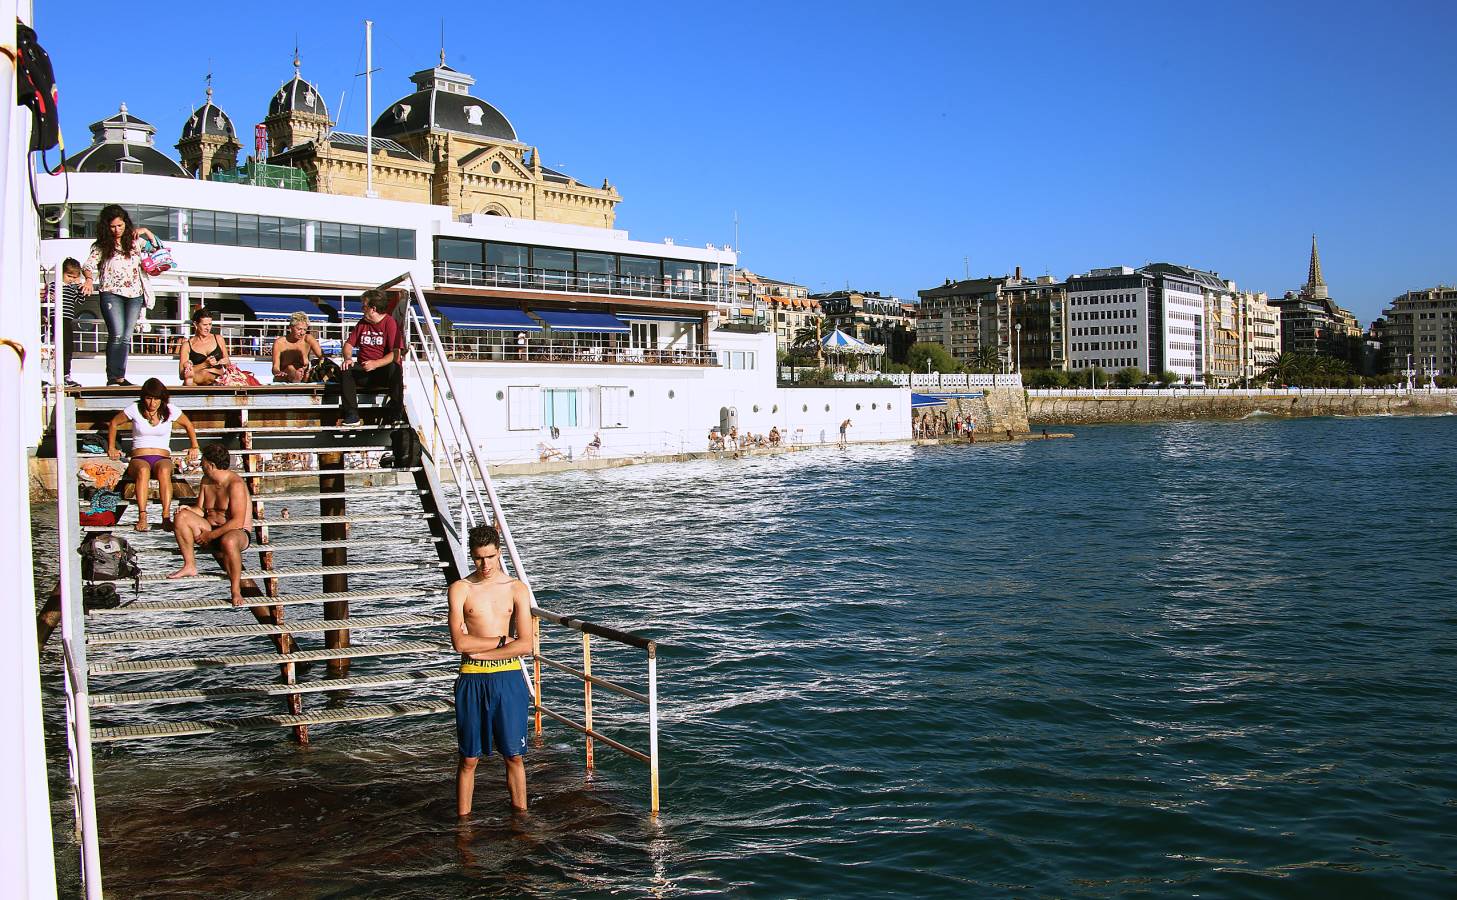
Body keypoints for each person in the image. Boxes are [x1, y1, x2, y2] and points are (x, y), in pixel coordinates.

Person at [448, 524, 533, 815]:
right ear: (472, 556)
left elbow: (525, 645)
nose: (485, 565)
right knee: (469, 759)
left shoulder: (516, 589)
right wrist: (500, 640)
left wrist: (483, 652)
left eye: (491, 557)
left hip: (508, 679)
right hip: (471, 680)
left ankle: (521, 819)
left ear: (499, 553)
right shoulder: (461, 589)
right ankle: (463, 824)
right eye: (478, 558)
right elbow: (460, 643)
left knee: (514, 756)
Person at [107, 378, 200, 531]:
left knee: (164, 470)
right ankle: (142, 515)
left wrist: (194, 446)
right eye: (149, 398)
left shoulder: (170, 409)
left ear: (161, 398)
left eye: (156, 398)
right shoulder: (134, 408)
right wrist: (111, 447)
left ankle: (165, 516)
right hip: (139, 457)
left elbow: (188, 425)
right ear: (144, 397)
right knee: (143, 471)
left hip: (162, 457)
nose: (152, 403)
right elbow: (114, 423)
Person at [82, 204, 159, 386]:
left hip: (135, 294)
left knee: (125, 336)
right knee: (116, 334)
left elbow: (159, 249)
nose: (117, 230)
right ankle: (113, 377)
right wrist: (88, 280)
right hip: (111, 293)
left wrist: (146, 231)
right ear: (106, 227)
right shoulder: (101, 246)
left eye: (120, 225)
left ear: (126, 224)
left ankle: (120, 377)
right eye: (113, 226)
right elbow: (88, 265)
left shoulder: (135, 242)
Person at [168, 442, 254, 605]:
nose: (201, 465)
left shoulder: (235, 484)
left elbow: (237, 521)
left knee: (229, 541)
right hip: (209, 527)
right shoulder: (206, 480)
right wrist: (188, 510)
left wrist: (211, 535)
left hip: (237, 532)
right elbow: (201, 509)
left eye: (203, 462)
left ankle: (235, 589)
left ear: (211, 465)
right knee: (181, 517)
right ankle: (190, 565)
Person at [338, 290, 402, 426]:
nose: (362, 309)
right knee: (346, 368)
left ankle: (396, 412)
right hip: (364, 371)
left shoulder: (389, 323)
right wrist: (348, 358)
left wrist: (376, 363)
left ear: (373, 309)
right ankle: (352, 415)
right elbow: (348, 345)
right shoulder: (362, 323)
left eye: (364, 306)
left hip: (381, 372)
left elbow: (396, 353)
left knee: (395, 366)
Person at [47, 258, 84, 387]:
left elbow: (80, 301)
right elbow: (47, 297)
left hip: (67, 319)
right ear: (61, 273)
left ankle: (65, 374)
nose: (71, 279)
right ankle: (59, 374)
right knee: (59, 346)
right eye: (69, 276)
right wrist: (49, 296)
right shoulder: (53, 285)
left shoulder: (72, 288)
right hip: (55, 318)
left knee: (68, 347)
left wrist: (80, 287)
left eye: (74, 277)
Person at [178, 307, 231, 386]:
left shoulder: (219, 339)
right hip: (197, 381)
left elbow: (228, 366)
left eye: (210, 324)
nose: (208, 328)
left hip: (217, 379)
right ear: (196, 324)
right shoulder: (187, 345)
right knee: (189, 379)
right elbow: (182, 375)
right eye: (205, 325)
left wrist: (226, 362)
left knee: (191, 380)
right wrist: (204, 364)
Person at [272, 311, 324, 383]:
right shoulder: (280, 343)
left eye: (305, 329)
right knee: (290, 368)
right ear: (290, 327)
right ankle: (296, 376)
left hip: (305, 377)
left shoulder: (308, 339)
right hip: (286, 378)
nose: (302, 333)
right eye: (299, 329)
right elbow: (275, 368)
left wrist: (315, 369)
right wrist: (279, 373)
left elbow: (323, 358)